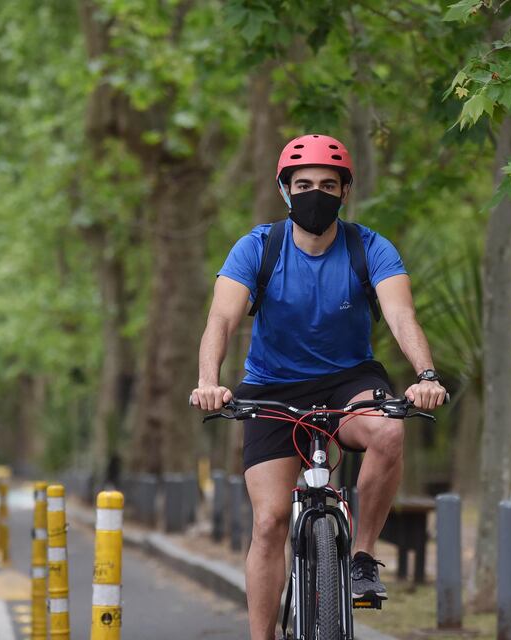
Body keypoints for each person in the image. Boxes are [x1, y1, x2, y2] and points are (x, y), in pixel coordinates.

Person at [190, 134, 446, 640]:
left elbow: (400, 314)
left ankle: (363, 557)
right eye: (303, 184)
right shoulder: (257, 247)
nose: (315, 193)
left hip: (348, 380)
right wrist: (208, 382)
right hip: (271, 387)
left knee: (388, 433)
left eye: (328, 185)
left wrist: (426, 376)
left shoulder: (368, 247)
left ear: (345, 191)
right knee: (269, 523)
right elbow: (221, 318)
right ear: (285, 190)